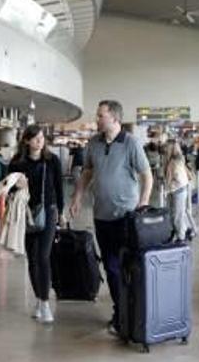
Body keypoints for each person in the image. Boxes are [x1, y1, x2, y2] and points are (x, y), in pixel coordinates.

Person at [69, 100, 153, 334]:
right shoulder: (93, 143)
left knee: (126, 267)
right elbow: (87, 172)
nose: (96, 119)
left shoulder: (130, 143)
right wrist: (77, 196)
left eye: (100, 116)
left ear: (114, 118)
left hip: (126, 217)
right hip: (101, 216)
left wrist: (143, 202)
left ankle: (131, 313)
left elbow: (147, 175)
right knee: (111, 267)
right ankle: (121, 312)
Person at [7, 125, 63, 323]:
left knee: (43, 256)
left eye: (42, 137)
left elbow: (59, 187)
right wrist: (16, 187)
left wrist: (61, 213)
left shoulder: (52, 160)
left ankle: (45, 303)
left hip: (48, 211)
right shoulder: (17, 163)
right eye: (36, 138)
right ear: (26, 141)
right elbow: (6, 188)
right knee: (32, 259)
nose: (40, 140)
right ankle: (39, 299)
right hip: (26, 214)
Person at [164, 141, 196, 241]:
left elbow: (174, 176)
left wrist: (167, 187)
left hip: (177, 190)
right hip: (180, 190)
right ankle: (186, 231)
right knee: (177, 213)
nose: (165, 149)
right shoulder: (178, 159)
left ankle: (181, 237)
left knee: (177, 215)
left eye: (166, 147)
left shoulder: (173, 161)